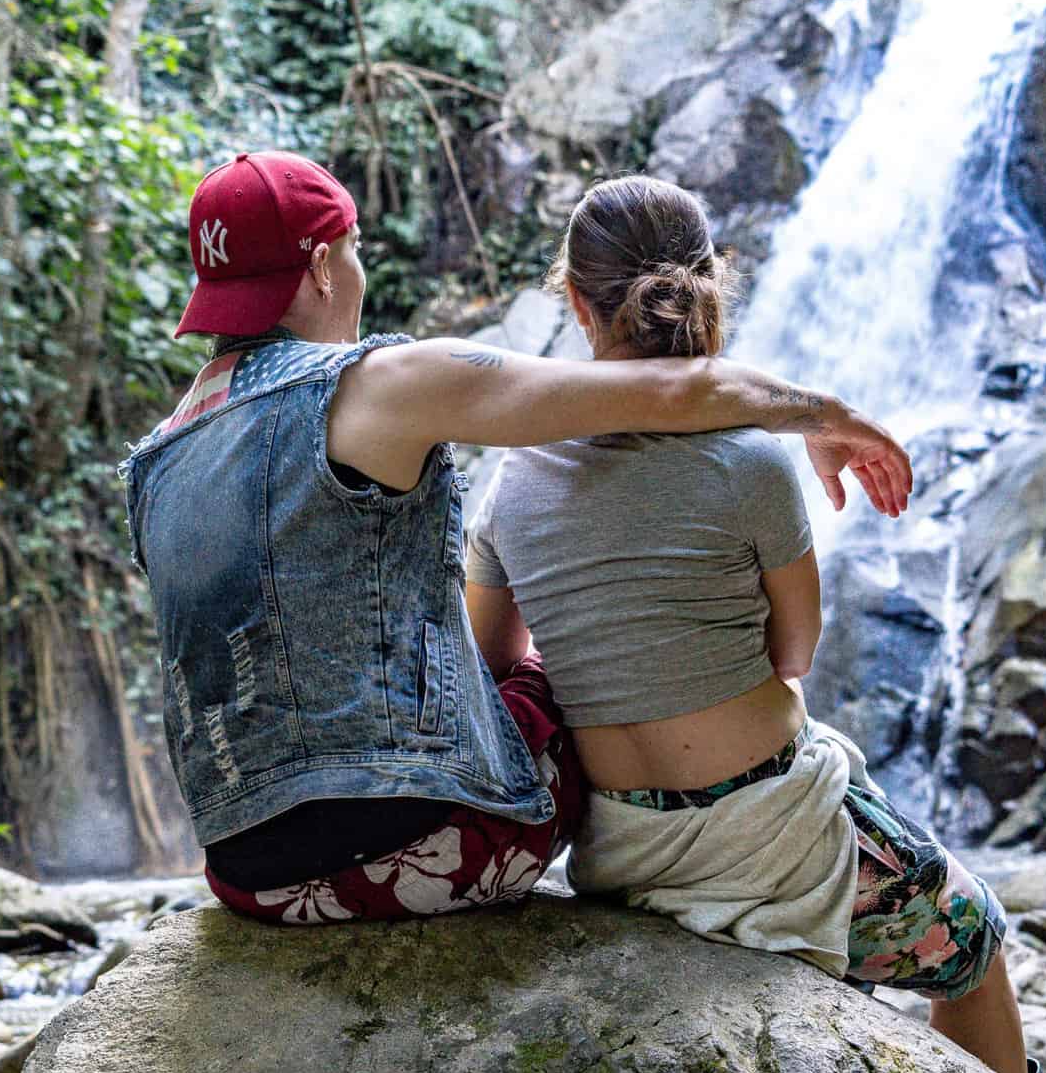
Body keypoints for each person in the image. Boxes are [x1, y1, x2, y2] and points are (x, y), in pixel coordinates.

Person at [121, 149, 914, 928]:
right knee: (553, 664)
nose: (359, 277)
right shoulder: (379, 385)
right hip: (428, 849)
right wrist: (821, 413)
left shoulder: (155, 458)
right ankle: (715, 844)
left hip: (247, 873)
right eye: (356, 254)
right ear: (324, 266)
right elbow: (662, 388)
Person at [464, 174, 1044, 1073]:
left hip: (620, 848)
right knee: (974, 945)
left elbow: (489, 666)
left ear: (576, 302)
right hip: (775, 835)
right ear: (707, 287)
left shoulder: (512, 480)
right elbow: (794, 655)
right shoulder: (752, 460)